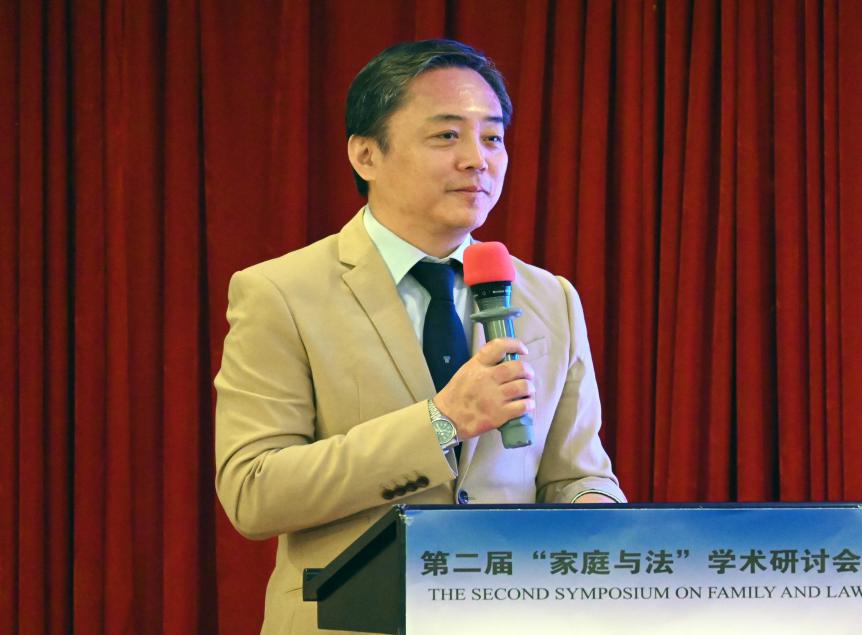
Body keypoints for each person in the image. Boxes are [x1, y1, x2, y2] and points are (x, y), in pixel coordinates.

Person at [214, 39, 625, 633]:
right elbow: (254, 492)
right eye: (447, 135)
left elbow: (576, 473)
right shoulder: (280, 292)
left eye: (493, 137)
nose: (477, 160)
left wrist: (597, 515)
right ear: (366, 155)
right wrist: (441, 423)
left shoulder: (549, 297)